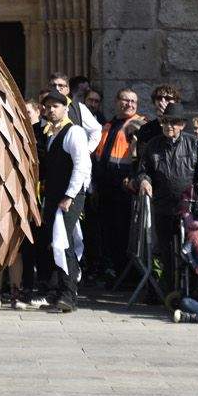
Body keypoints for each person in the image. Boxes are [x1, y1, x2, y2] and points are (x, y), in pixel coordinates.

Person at [134, 103, 198, 291]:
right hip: (162, 205)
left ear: (182, 125)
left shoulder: (195, 144)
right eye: (165, 122)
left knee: (190, 248)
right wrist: (144, 180)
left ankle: (192, 288)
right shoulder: (153, 145)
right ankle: (168, 290)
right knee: (164, 250)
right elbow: (142, 171)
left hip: (190, 207)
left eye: (173, 122)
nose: (168, 126)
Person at [33, 91, 89, 313]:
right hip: (55, 196)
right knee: (57, 243)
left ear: (65, 108)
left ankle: (69, 294)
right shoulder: (52, 134)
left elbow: (81, 166)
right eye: (48, 106)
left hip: (67, 198)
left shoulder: (73, 132)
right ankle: (60, 291)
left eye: (56, 106)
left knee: (63, 242)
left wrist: (70, 195)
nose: (51, 110)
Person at [90, 88, 142, 278]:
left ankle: (125, 273)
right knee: (107, 230)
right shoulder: (108, 125)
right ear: (116, 101)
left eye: (133, 102)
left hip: (124, 187)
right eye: (126, 100)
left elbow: (140, 157)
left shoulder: (138, 125)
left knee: (123, 231)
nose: (129, 104)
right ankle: (111, 269)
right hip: (105, 186)